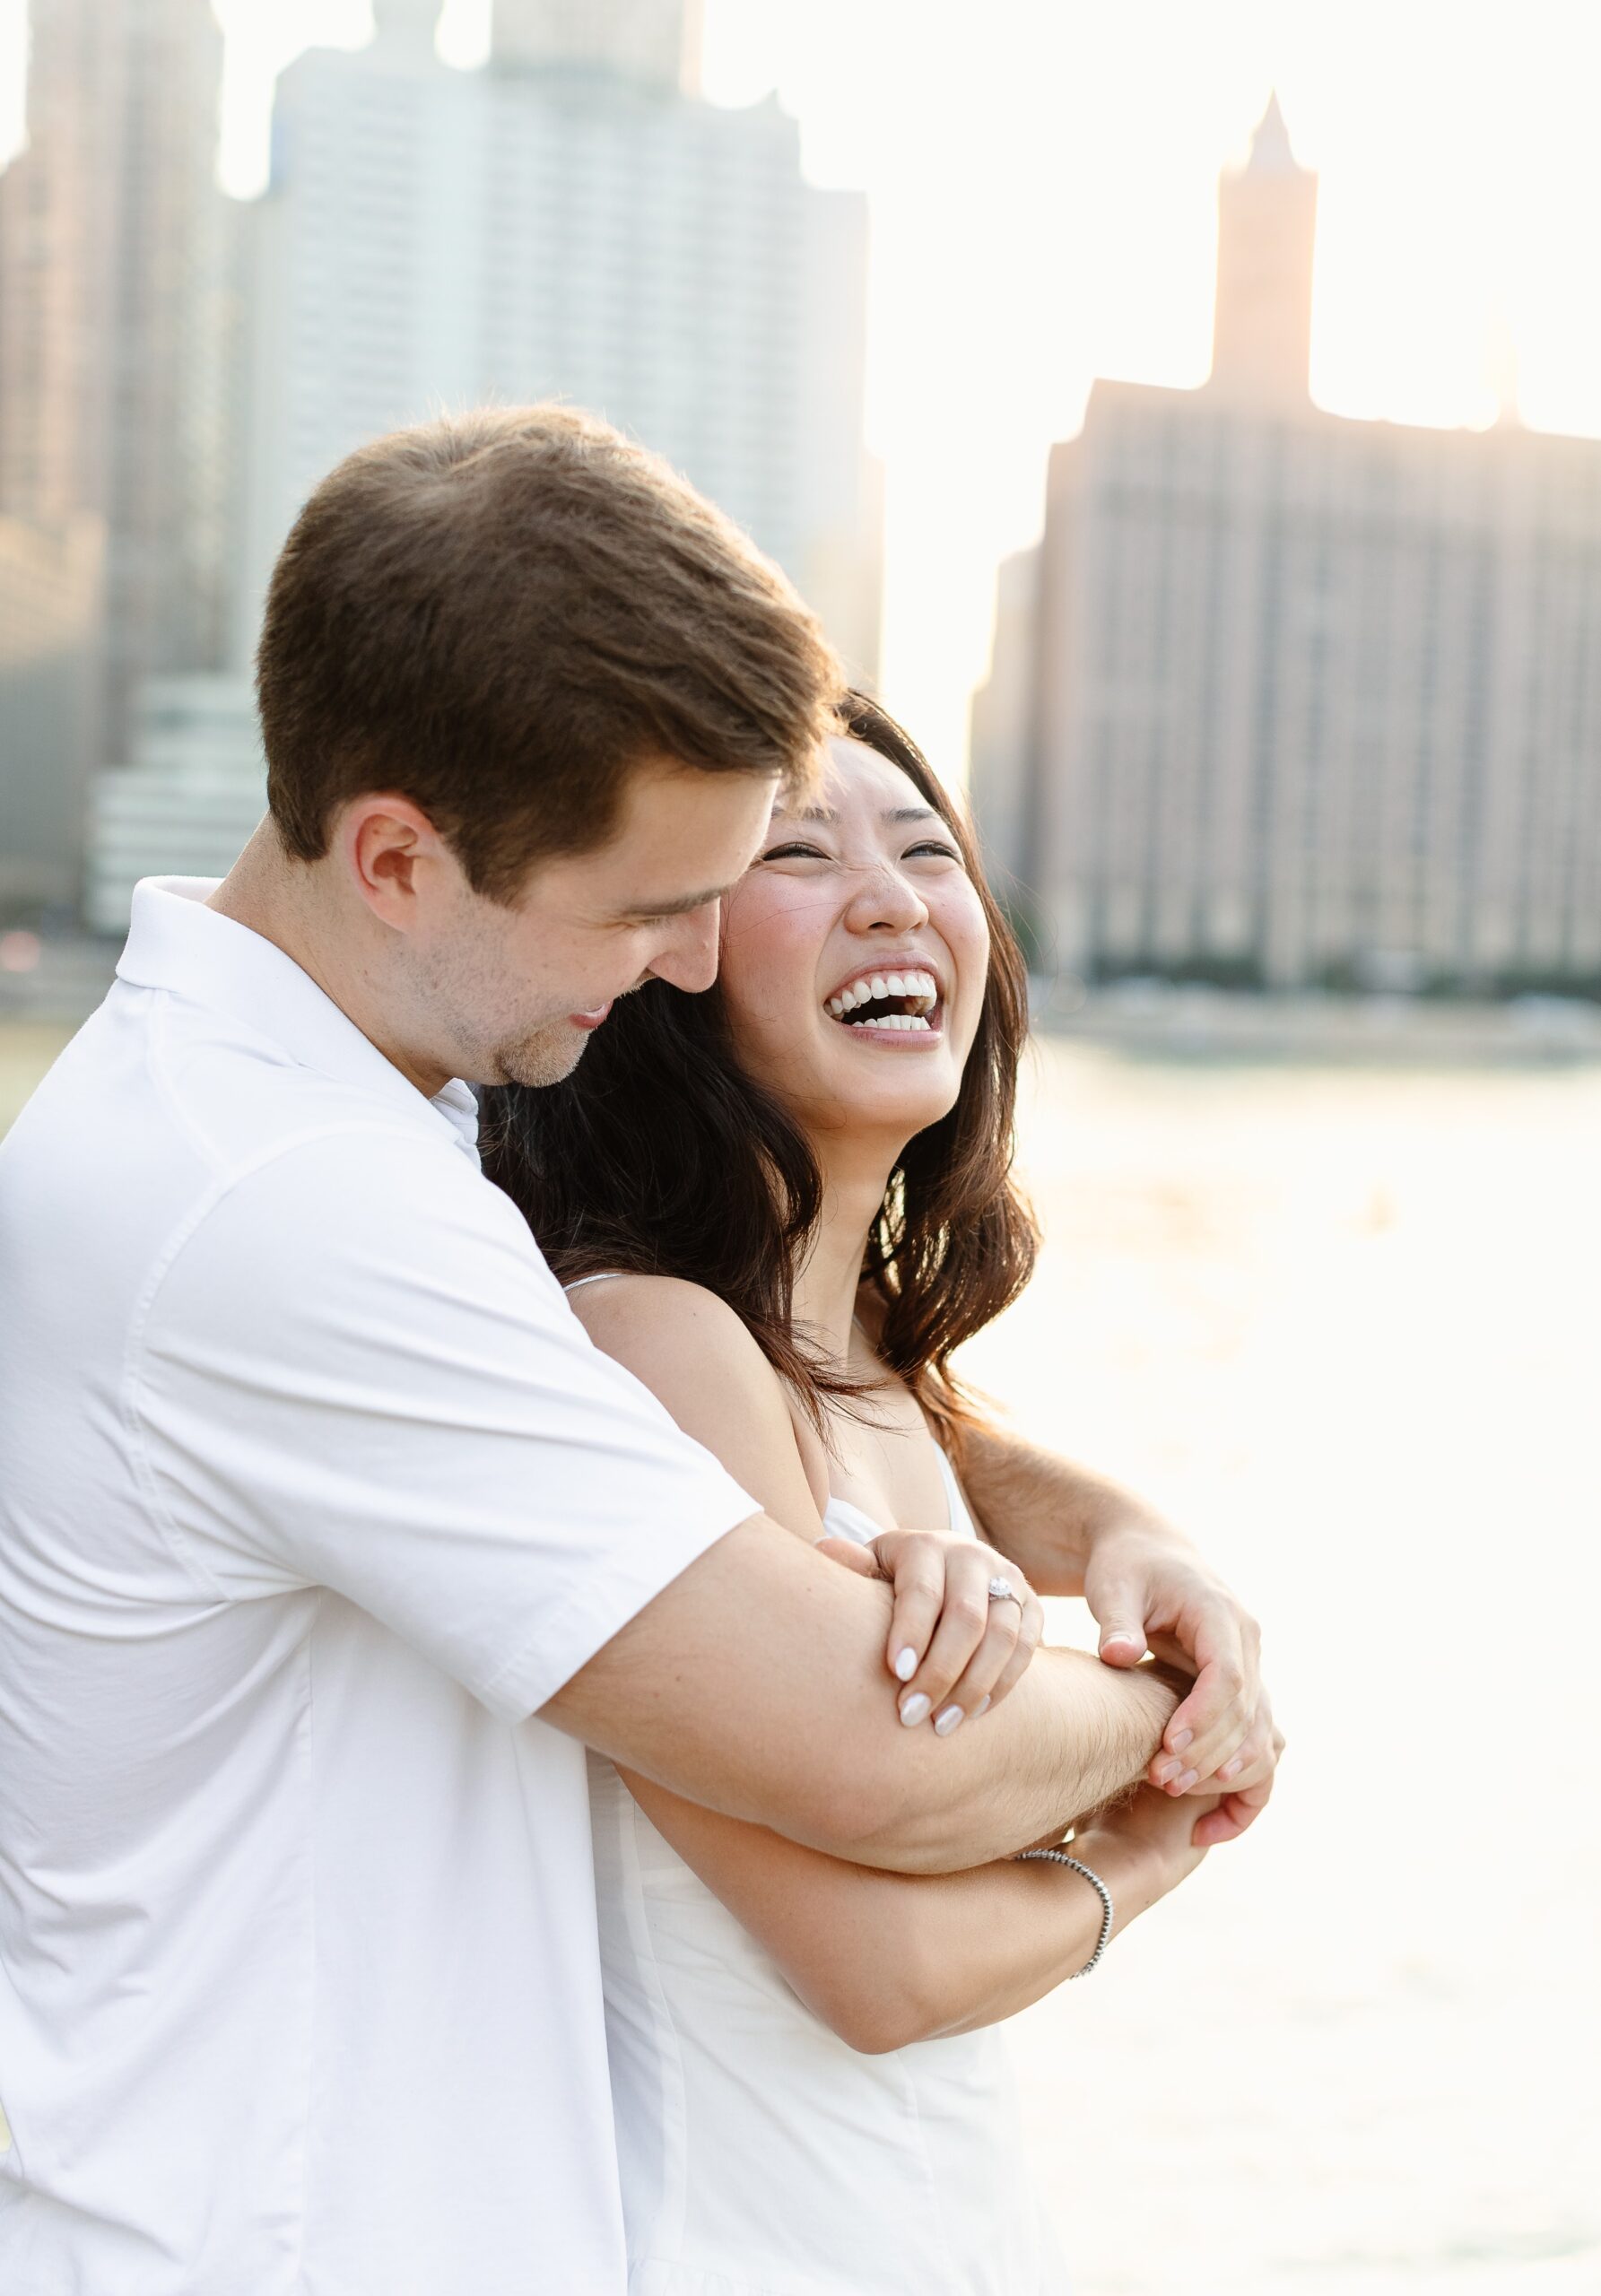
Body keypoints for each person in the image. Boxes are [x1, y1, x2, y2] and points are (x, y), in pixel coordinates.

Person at [0, 406, 1275, 2296]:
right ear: (398, 858)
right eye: (655, 904)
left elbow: (788, 1383)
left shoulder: (331, 1128)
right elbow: (872, 1753)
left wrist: (1066, 1512)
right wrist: (1171, 1714)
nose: (684, 966)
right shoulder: (285, 1203)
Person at [482, 697, 1269, 2292]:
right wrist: (1161, 1832)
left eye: (927, 850)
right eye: (798, 851)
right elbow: (879, 1973)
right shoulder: (657, 1339)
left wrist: (1127, 1530)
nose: (892, 896)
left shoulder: (878, 1375)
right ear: (668, 953)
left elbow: (935, 1433)